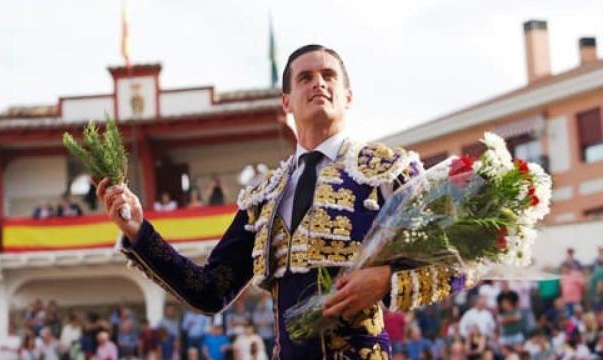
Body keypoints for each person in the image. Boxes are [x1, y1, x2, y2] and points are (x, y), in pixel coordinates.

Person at [98, 44, 469, 359]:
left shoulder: (389, 172)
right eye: (305, 78)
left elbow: (459, 263)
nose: (319, 83)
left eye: (329, 76)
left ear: (348, 96)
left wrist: (385, 281)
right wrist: (137, 231)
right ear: (286, 101)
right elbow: (209, 290)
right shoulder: (264, 197)